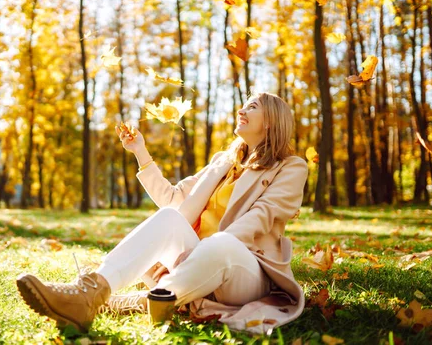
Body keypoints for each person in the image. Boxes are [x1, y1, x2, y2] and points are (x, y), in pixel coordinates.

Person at [16, 92, 309, 333]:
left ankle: (142, 299)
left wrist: (202, 251)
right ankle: (89, 294)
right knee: (170, 218)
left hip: (244, 272)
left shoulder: (290, 167)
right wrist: (140, 152)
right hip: (196, 262)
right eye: (243, 104)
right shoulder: (223, 162)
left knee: (222, 244)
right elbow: (172, 200)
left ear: (271, 121)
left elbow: (260, 217)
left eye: (252, 106)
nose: (241, 110)